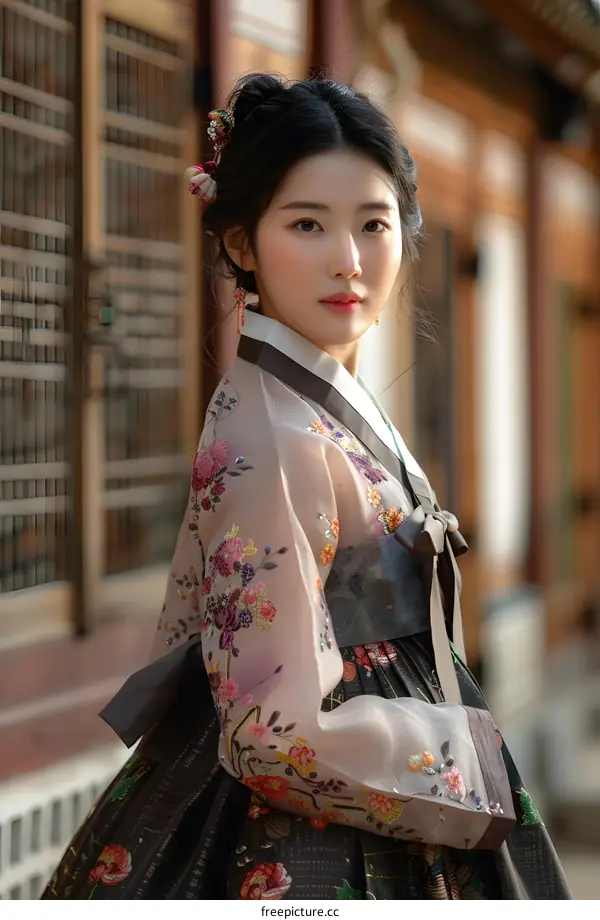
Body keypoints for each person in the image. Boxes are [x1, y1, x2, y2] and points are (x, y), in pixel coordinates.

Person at [43, 73, 571, 900]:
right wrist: (464, 765)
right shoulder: (275, 433)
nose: (349, 260)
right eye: (307, 224)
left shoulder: (301, 402)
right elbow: (273, 731)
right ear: (243, 243)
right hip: (320, 816)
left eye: (373, 223)